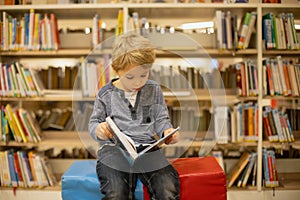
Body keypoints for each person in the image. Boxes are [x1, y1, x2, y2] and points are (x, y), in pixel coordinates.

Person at [88, 32, 180, 200]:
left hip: (148, 148)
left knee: (167, 188)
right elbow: (94, 122)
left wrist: (167, 132)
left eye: (143, 75)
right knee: (116, 193)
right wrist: (99, 130)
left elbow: (161, 118)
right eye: (130, 77)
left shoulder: (153, 90)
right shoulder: (106, 94)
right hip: (114, 151)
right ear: (116, 70)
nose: (138, 82)